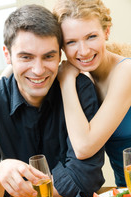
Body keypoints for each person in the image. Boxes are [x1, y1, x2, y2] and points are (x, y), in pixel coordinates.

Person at [0, 4, 104, 197]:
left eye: (48, 56)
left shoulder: (80, 90)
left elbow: (84, 179)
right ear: (8, 55)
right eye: (26, 57)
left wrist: (13, 190)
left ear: (60, 55)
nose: (38, 70)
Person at [53, 0, 131, 187]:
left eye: (91, 36)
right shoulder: (84, 79)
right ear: (61, 47)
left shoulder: (126, 71)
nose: (84, 51)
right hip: (124, 194)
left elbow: (84, 147)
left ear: (106, 32)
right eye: (71, 42)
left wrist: (65, 81)